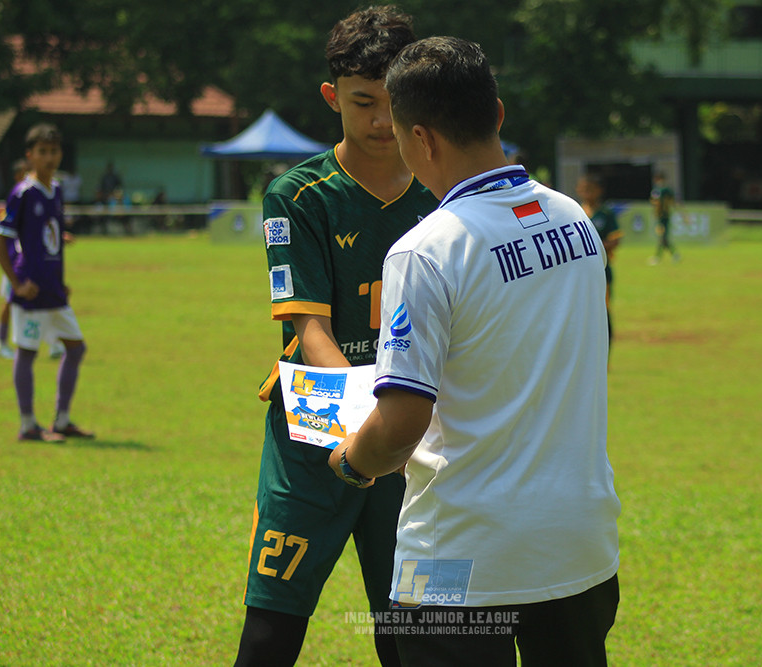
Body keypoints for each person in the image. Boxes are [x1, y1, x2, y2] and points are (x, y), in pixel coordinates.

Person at [328, 36, 620, 667]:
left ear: (422, 139)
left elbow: (400, 426)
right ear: (499, 114)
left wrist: (353, 460)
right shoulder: (574, 219)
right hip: (580, 545)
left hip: (454, 561)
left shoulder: (425, 248)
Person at [233, 7, 436, 667]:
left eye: (394, 101)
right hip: (315, 434)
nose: (382, 120)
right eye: (362, 102)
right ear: (332, 97)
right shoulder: (298, 195)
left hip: (416, 437)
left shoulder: (446, 195)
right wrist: (373, 418)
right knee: (271, 630)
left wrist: (398, 428)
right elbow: (310, 326)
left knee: (410, 633)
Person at [0, 123, 94, 443]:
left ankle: (61, 420)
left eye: (54, 151)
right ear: (30, 155)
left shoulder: (57, 190)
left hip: (53, 290)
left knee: (76, 349)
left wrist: (60, 271)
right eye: (43, 152)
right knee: (27, 352)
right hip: (31, 291)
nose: (49, 158)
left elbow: (46, 234)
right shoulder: (23, 193)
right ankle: (27, 425)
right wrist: (16, 285)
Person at [0, 159, 65, 361]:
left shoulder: (37, 196)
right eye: (26, 172)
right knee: (10, 303)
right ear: (18, 176)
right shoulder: (18, 197)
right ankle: (2, 343)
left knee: (45, 300)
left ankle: (54, 343)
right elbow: (2, 235)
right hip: (16, 264)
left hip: (34, 263)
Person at [577, 172, 623, 348]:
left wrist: (590, 246)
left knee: (602, 313)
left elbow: (615, 240)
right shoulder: (575, 211)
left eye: (590, 189)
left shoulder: (606, 213)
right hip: (579, 273)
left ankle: (606, 356)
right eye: (582, 189)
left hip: (601, 272)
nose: (586, 193)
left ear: (598, 191)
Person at [649, 170, 680, 264]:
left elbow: (657, 203)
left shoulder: (661, 190)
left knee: (663, 238)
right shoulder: (664, 190)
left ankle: (660, 257)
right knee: (663, 238)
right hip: (663, 217)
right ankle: (672, 255)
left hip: (664, 217)